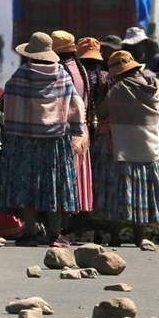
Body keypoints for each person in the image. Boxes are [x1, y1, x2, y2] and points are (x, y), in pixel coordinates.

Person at [0, 32, 84, 247]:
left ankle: (29, 233)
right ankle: (54, 235)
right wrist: (76, 132)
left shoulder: (20, 76)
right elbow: (76, 105)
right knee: (53, 186)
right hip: (55, 141)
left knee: (28, 185)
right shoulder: (62, 76)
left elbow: (8, 103)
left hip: (26, 141)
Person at [91, 51, 159, 243]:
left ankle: (115, 236)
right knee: (141, 194)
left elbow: (102, 113)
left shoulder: (119, 90)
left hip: (124, 147)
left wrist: (102, 93)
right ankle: (139, 237)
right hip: (148, 147)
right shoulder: (153, 88)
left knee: (120, 194)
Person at [53, 31, 93, 222]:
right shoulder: (80, 69)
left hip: (68, 133)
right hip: (82, 131)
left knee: (67, 180)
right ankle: (75, 224)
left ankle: (63, 224)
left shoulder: (61, 72)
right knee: (78, 178)